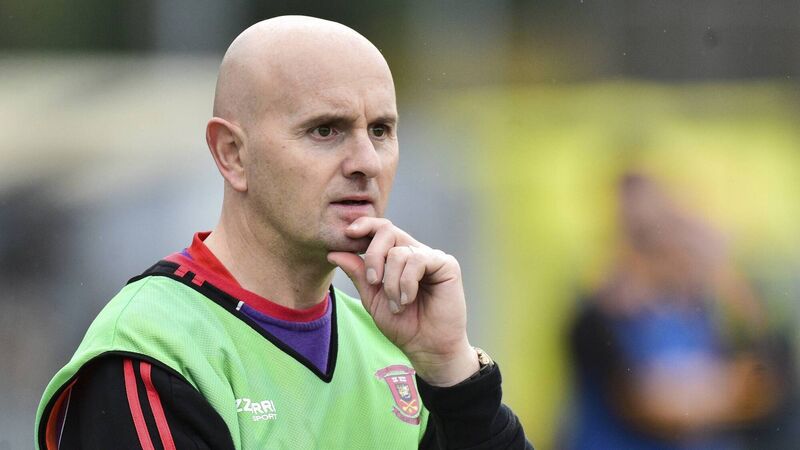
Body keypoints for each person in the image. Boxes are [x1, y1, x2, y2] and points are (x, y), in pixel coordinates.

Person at [35, 16, 532, 449]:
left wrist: (452, 370)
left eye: (380, 130)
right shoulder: (152, 352)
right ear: (232, 153)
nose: (366, 162)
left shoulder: (396, 344)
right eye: (325, 130)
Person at [563, 173, 784, 450]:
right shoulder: (600, 318)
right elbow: (646, 407)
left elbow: (764, 384)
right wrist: (720, 394)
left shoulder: (699, 313)